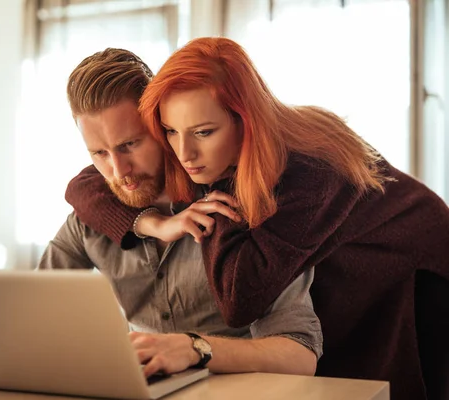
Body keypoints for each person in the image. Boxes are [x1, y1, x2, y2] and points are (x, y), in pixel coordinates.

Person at [64, 37, 449, 400]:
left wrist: (212, 197)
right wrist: (152, 223)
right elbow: (84, 186)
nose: (184, 153)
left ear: (243, 120)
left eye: (203, 131)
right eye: (170, 132)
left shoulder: (306, 173)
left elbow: (239, 300)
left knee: (384, 377)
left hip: (409, 262)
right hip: (339, 260)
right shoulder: (207, 153)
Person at [38, 47, 324, 379]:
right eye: (100, 153)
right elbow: (35, 315)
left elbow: (299, 353)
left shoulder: (238, 207)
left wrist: (194, 348)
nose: (119, 170)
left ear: (162, 127)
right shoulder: (88, 220)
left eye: (130, 144)